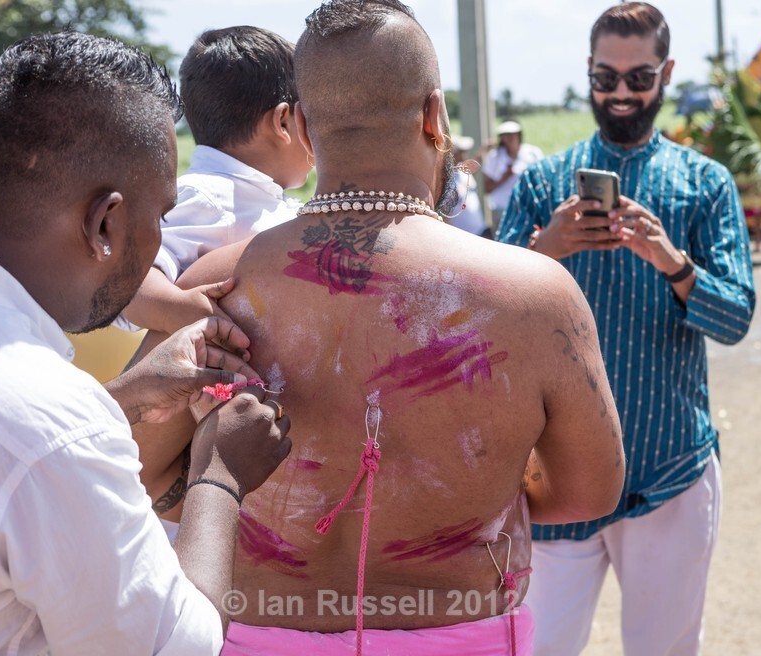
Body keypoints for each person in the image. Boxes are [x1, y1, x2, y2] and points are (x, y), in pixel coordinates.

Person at [135, 2, 625, 654]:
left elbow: (140, 470)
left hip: (254, 629)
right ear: (434, 117)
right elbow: (591, 491)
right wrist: (478, 476)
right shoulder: (534, 294)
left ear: (301, 125)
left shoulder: (215, 285)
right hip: (459, 633)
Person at [0, 31, 292, 655]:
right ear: (104, 223)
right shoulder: (50, 419)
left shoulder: (39, 417)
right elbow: (177, 646)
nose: (163, 240)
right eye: (162, 216)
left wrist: (119, 399)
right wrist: (220, 476)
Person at [496, 4, 755, 654]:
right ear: (588, 71)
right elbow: (485, 316)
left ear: (666, 73)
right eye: (605, 78)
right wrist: (546, 248)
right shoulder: (542, 184)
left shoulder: (705, 184)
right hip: (554, 480)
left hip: (669, 471)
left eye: (638, 78)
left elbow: (735, 318)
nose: (620, 93)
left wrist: (671, 261)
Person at [119, 25, 311, 335]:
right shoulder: (207, 195)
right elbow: (130, 281)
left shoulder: (263, 197)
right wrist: (188, 314)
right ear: (283, 122)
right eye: (310, 119)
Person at [481, 119, 542, 228]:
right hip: (502, 209)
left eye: (513, 135)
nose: (510, 138)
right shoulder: (494, 157)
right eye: (506, 135)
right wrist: (504, 177)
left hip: (527, 208)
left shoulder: (533, 153)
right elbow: (487, 188)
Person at [445, 135, 490, 238]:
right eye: (462, 151)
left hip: (480, 231)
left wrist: (484, 149)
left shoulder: (463, 171)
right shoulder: (445, 179)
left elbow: (476, 162)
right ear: (452, 154)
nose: (465, 154)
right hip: (462, 236)